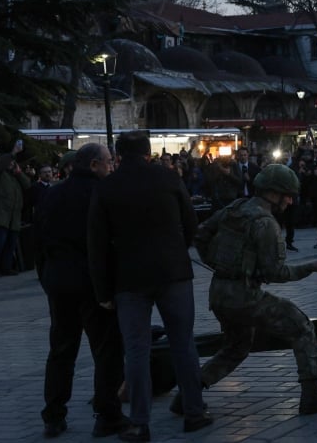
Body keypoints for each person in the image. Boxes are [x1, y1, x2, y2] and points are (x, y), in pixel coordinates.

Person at [187, 164, 317, 416]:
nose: (290, 201)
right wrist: (309, 267)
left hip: (219, 294)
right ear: (274, 193)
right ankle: (312, 396)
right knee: (302, 326)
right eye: (287, 195)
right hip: (245, 297)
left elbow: (201, 234)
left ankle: (188, 395)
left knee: (236, 347)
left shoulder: (235, 208)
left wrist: (219, 264)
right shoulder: (265, 223)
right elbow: (276, 273)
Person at [87, 131, 211, 441]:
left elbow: (97, 244)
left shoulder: (107, 187)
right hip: (173, 272)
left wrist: (103, 292)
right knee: (184, 343)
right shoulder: (168, 178)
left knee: (136, 351)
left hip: (129, 278)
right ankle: (194, 412)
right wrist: (176, 249)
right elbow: (192, 223)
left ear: (118, 156)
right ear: (147, 153)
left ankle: (139, 422)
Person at [36, 143, 128, 438]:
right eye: (108, 162)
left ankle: (53, 415)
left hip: (59, 282)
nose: (111, 167)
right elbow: (108, 244)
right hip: (92, 284)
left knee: (61, 350)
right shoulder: (100, 195)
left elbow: (38, 240)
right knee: (106, 350)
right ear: (93, 165)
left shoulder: (52, 193)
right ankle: (107, 414)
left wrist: (47, 277)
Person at [0, 152, 30, 277]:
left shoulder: (15, 177)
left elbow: (27, 185)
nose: (12, 164)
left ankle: (6, 267)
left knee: (10, 245)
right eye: (10, 162)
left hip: (14, 217)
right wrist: (10, 156)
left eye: (13, 162)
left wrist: (19, 172)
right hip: (1, 216)